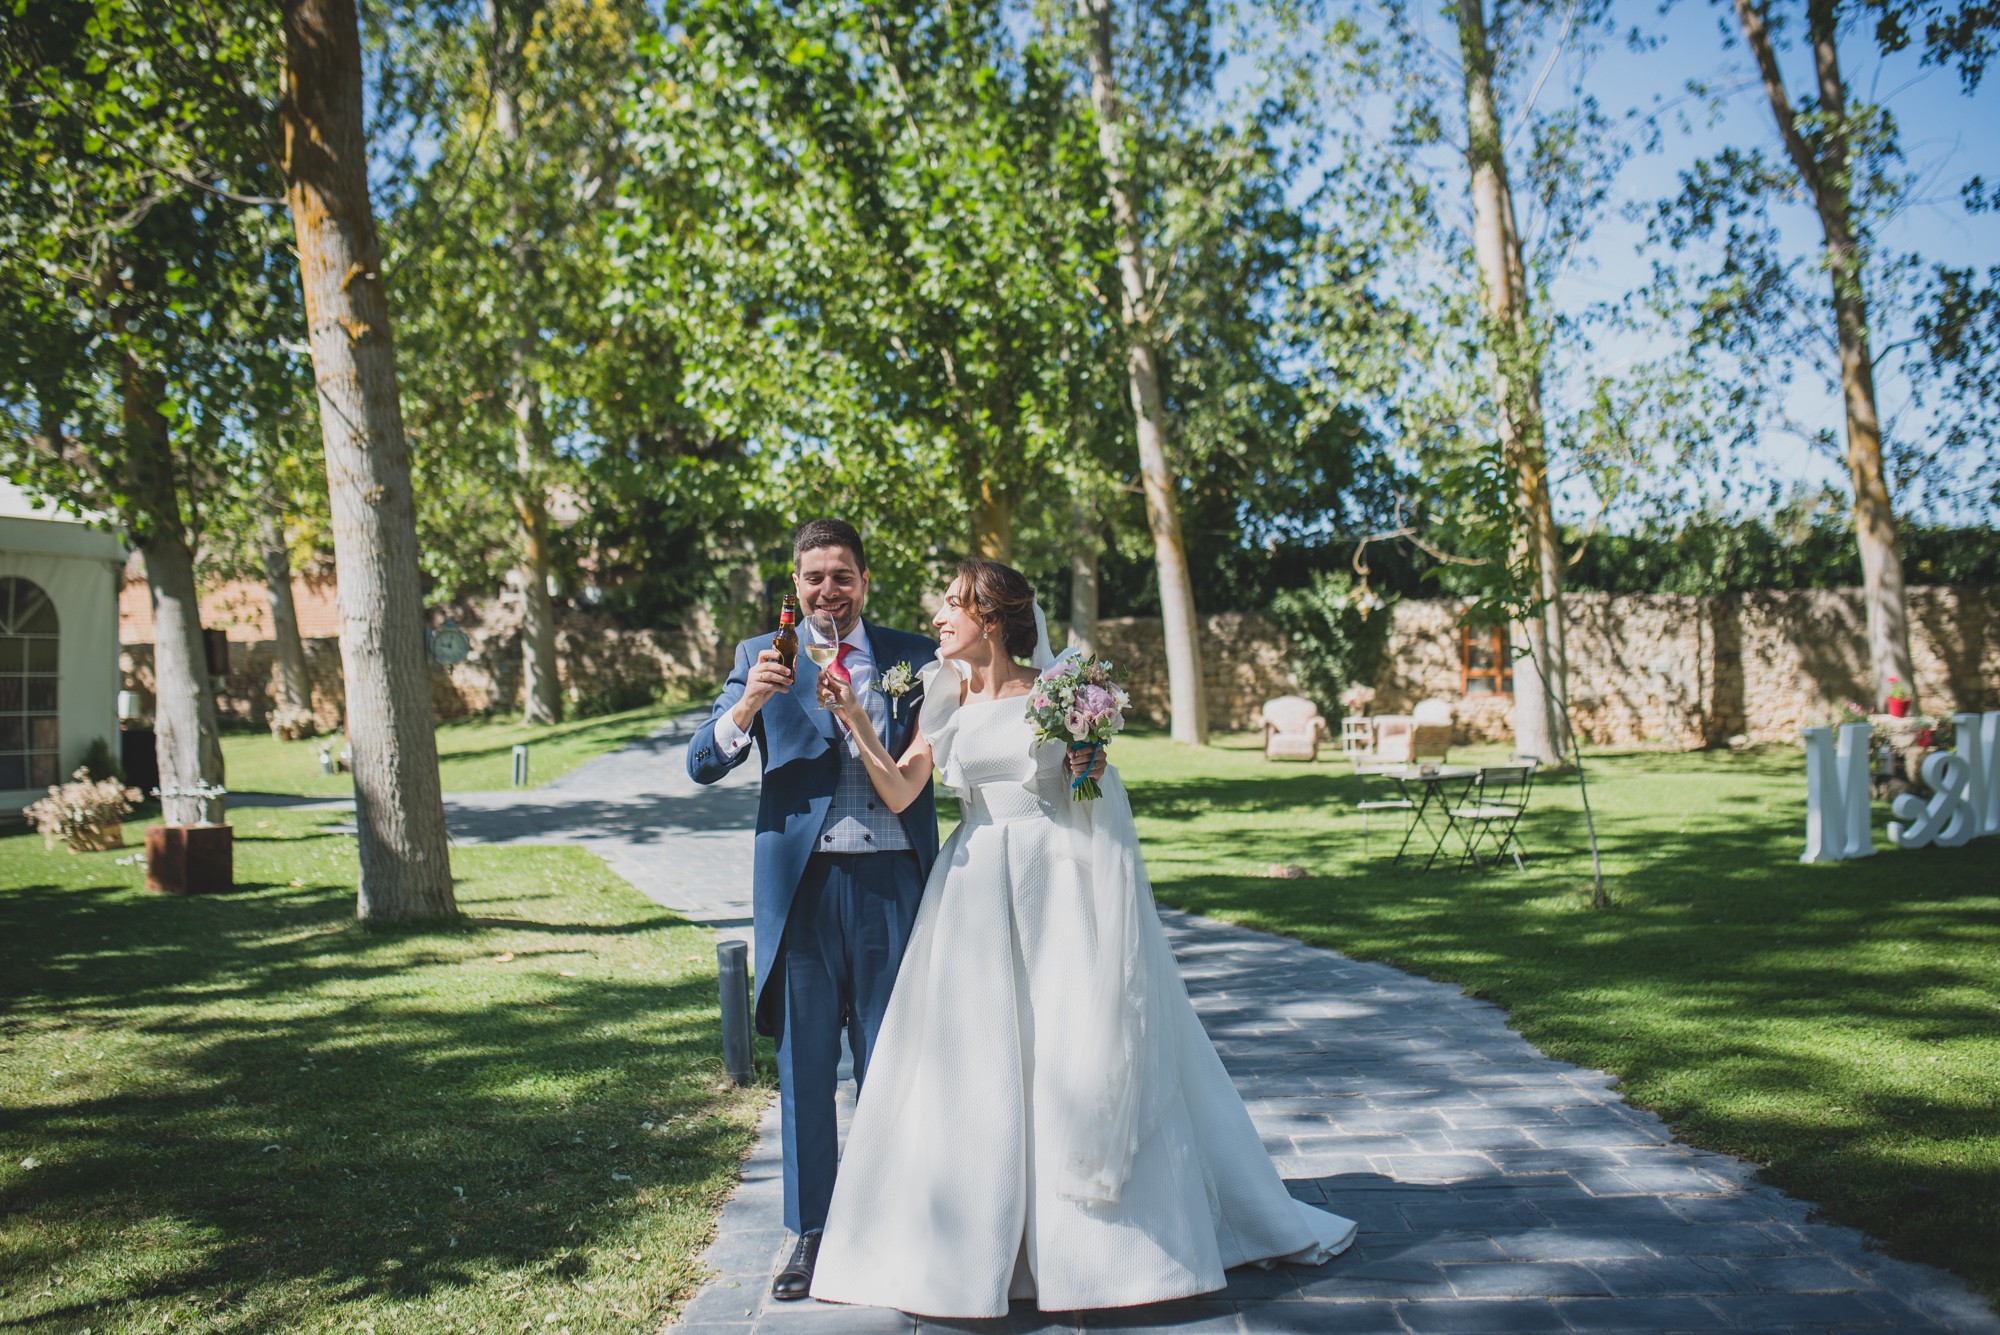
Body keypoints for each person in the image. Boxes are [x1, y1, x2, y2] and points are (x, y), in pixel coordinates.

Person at [808, 558, 1354, 1317]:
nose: (938, 615)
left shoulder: (1060, 691)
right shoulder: (941, 693)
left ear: (990, 619)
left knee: (1063, 1046)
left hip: (1052, 882)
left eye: (953, 602)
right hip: (969, 889)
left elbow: (1093, 792)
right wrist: (858, 721)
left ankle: (1100, 1254)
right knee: (978, 1058)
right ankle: (979, 1245)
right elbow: (901, 789)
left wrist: (1090, 766)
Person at [685, 519, 940, 1300]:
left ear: (865, 580)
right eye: (813, 577)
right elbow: (700, 762)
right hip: (801, 892)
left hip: (893, 882)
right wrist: (745, 709)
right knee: (802, 1070)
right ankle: (811, 1233)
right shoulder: (761, 656)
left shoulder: (914, 658)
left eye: (842, 575)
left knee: (892, 1063)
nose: (827, 589)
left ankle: (897, 1221)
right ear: (793, 586)